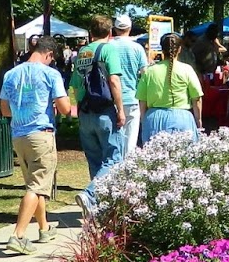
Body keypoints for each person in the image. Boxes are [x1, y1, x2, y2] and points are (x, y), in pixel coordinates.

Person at [0, 36, 73, 255]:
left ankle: (44, 228)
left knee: (35, 184)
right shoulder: (51, 74)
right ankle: (18, 235)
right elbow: (65, 108)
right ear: (49, 54)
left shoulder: (11, 74)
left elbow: (5, 110)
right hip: (41, 135)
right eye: (52, 58)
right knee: (36, 187)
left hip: (18, 136)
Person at [70, 15, 125, 209]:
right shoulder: (109, 49)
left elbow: (75, 85)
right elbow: (114, 81)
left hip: (85, 112)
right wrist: (121, 110)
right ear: (110, 32)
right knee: (114, 158)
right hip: (104, 111)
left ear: (91, 32)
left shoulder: (82, 52)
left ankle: (98, 206)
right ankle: (90, 195)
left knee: (94, 160)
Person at [137, 33, 203, 143]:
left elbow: (142, 101)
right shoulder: (187, 70)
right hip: (182, 118)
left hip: (154, 118)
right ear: (179, 49)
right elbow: (197, 99)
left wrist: (144, 122)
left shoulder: (150, 71)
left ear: (162, 50)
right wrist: (198, 120)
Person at [104, 13, 148, 157]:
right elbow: (145, 74)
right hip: (132, 98)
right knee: (130, 143)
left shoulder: (107, 47)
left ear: (115, 29)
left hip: (110, 99)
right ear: (129, 28)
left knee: (113, 143)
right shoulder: (137, 48)